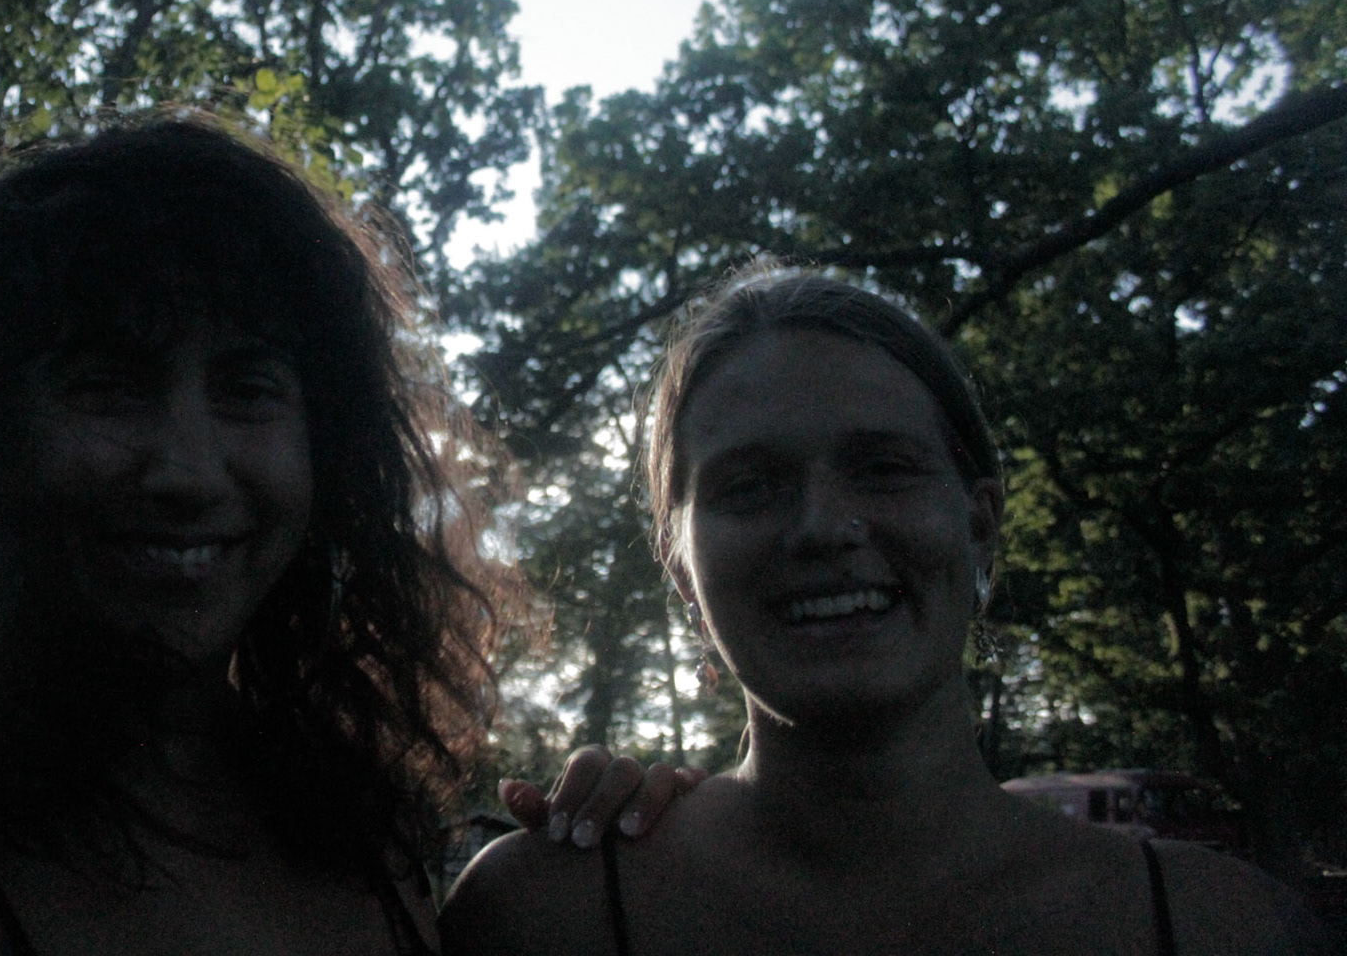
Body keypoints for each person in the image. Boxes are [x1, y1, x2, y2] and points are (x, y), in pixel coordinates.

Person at [0, 115, 673, 956]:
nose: (186, 470)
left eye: (247, 387)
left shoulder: (367, 840)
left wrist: (672, 843)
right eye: (108, 384)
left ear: (328, 447)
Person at [441, 267, 1330, 956]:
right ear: (681, 569)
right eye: (750, 486)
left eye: (883, 468)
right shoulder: (541, 919)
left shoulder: (1227, 930)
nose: (822, 527)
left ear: (980, 524)